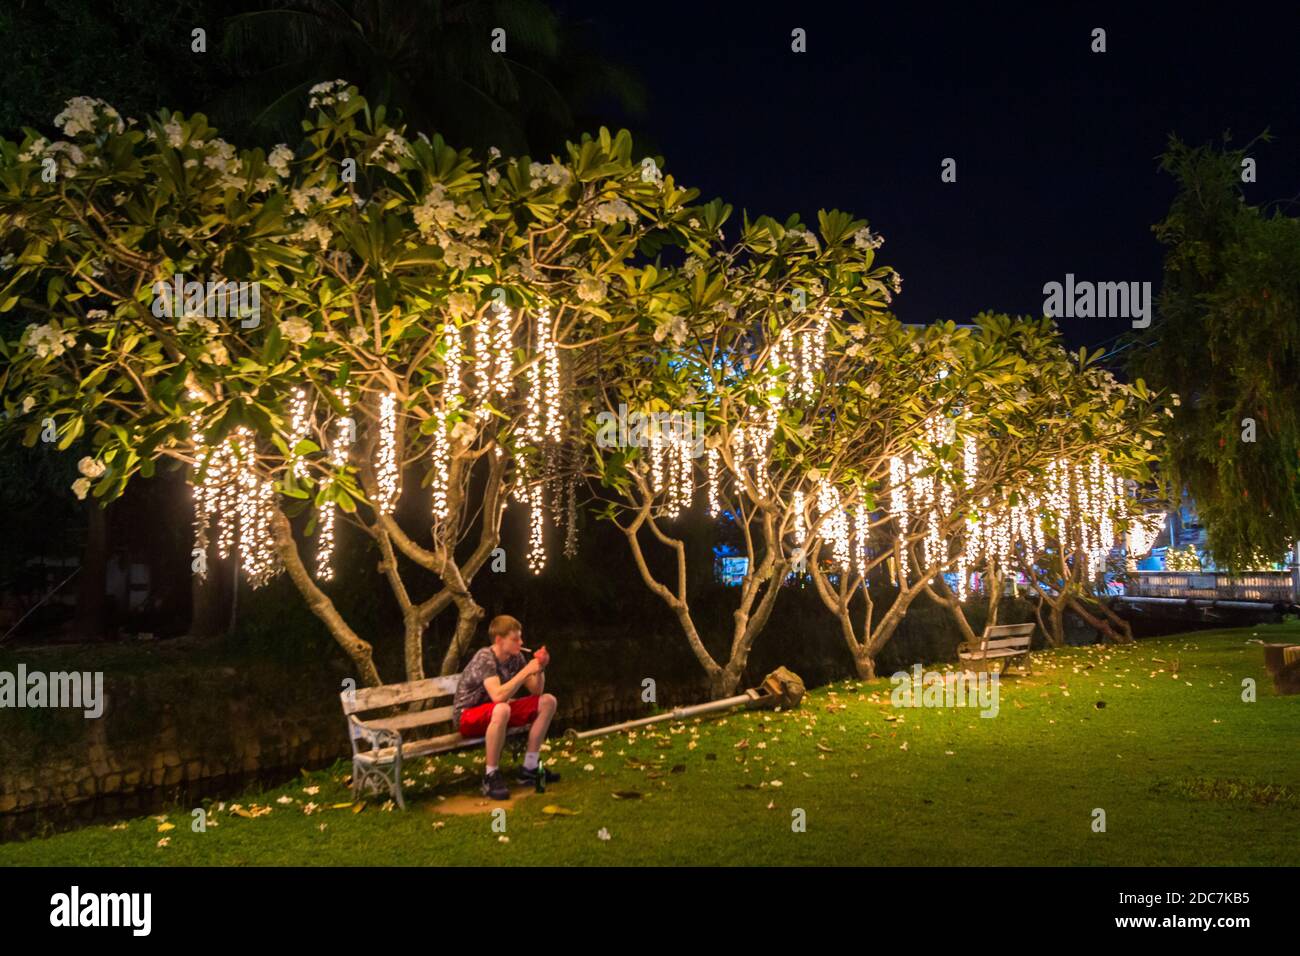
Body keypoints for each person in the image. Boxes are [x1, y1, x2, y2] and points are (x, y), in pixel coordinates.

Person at [452, 614, 560, 799]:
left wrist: (540, 668)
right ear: (499, 640)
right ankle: (490, 774)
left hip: (497, 713)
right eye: (515, 638)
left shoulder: (515, 657)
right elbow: (498, 696)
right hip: (468, 716)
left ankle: (530, 767)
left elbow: (536, 690)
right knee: (502, 708)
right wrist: (526, 670)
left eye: (520, 637)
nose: (521, 642)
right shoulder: (485, 657)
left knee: (548, 701)